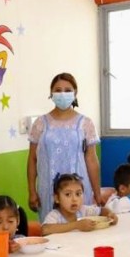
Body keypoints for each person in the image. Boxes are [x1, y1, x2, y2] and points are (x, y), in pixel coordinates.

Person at [27, 73, 102, 219]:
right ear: (51, 93)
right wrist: (32, 191)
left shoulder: (85, 123)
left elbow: (91, 160)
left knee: (80, 226)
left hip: (78, 191)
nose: (63, 94)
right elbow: (32, 159)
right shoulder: (41, 123)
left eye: (68, 90)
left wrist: (97, 193)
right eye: (58, 90)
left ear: (75, 93)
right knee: (52, 227)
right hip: (49, 191)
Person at [41, 173, 116, 235]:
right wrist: (76, 225)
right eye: (68, 194)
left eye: (78, 194)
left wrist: (110, 214)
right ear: (57, 198)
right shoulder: (55, 215)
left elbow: (102, 210)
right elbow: (44, 229)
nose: (74, 199)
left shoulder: (83, 210)